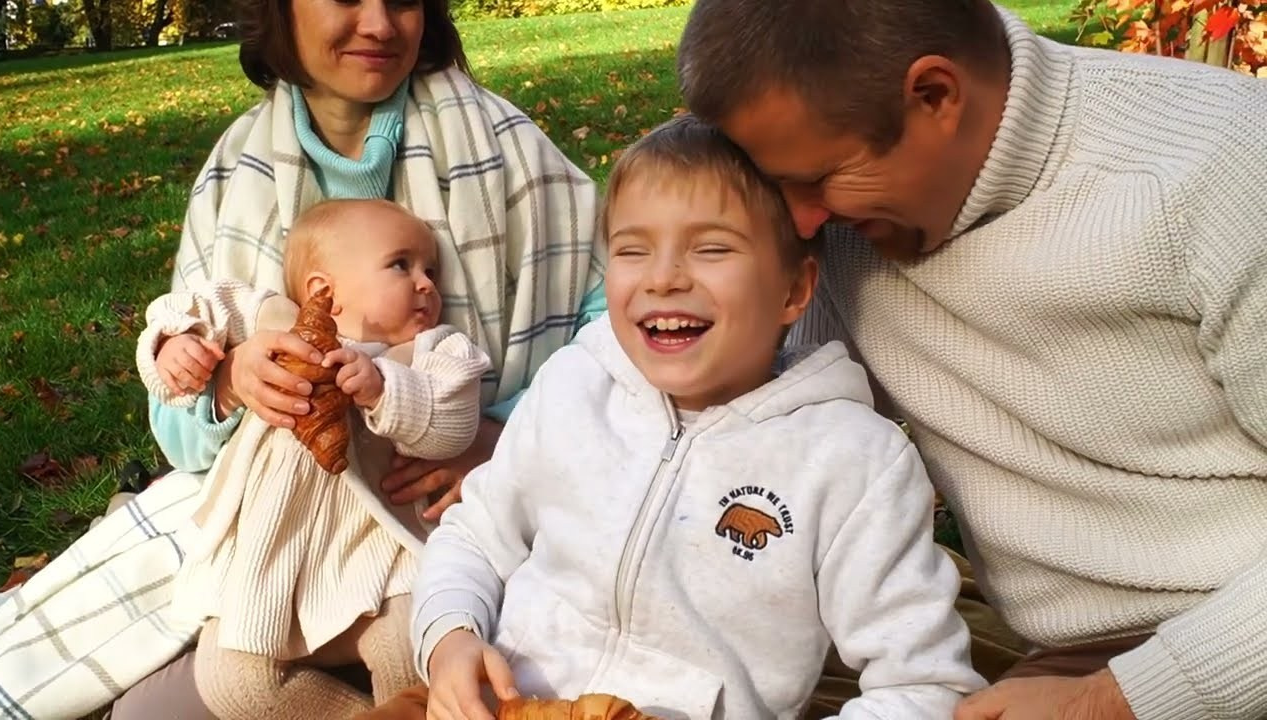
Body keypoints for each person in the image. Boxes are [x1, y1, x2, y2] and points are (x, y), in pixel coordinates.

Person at [0, 0, 603, 714]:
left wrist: (505, 441)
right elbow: (182, 426)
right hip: (276, 536)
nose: (379, 24)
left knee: (440, 658)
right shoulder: (233, 176)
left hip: (453, 527)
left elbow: (615, 339)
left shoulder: (507, 146)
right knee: (156, 713)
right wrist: (226, 381)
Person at [676, 0, 1267, 718]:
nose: (798, 223)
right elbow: (738, 421)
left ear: (935, 96)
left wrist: (1115, 701)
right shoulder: (843, 218)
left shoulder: (1225, 165)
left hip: (1225, 641)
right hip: (1078, 662)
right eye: (776, 183)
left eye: (819, 179)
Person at [405, 115, 986, 720]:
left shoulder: (851, 460)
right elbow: (476, 535)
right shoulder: (575, 383)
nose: (663, 278)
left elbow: (923, 686)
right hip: (503, 703)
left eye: (711, 249)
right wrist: (449, 639)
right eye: (632, 249)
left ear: (793, 289)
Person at [136, 198, 491, 718]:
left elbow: (453, 425)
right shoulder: (273, 321)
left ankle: (405, 707)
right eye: (402, 265)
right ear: (323, 291)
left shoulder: (433, 352)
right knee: (233, 680)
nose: (426, 284)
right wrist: (175, 345)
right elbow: (188, 307)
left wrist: (385, 390)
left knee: (408, 646)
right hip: (271, 555)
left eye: (430, 270)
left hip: (379, 553)